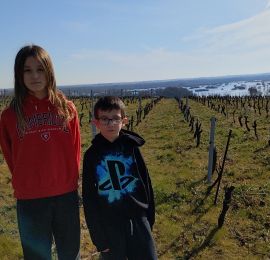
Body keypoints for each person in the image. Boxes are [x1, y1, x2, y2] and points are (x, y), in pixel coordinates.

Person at [0, 45, 81, 259]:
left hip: (65, 196)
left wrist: (70, 180)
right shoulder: (10, 116)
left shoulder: (67, 109)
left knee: (70, 254)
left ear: (49, 71)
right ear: (19, 74)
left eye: (40, 69)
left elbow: (75, 149)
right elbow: (11, 156)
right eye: (27, 70)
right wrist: (27, 181)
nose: (34, 76)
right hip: (31, 200)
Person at [82, 96, 157, 260]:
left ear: (124, 121)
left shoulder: (132, 148)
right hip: (109, 225)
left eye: (115, 119)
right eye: (105, 119)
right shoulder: (91, 155)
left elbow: (146, 182)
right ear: (96, 123)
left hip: (138, 220)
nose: (110, 124)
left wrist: (148, 218)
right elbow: (89, 197)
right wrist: (98, 237)